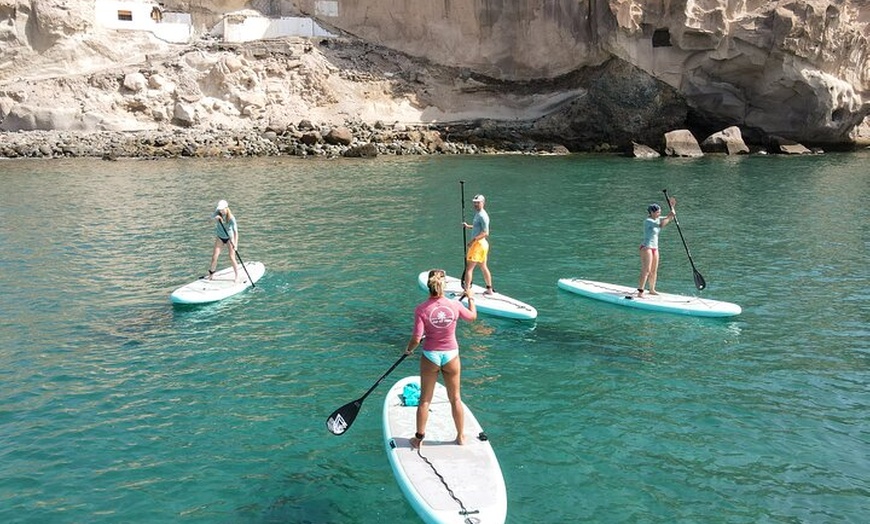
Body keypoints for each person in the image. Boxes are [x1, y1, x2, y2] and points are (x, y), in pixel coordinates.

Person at [405, 269, 477, 449]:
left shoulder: (421, 309)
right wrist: (470, 297)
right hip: (451, 355)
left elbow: (416, 338)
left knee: (425, 400)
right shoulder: (454, 305)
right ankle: (461, 436)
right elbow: (472, 317)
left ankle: (418, 439)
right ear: (444, 286)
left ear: (429, 287)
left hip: (430, 356)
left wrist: (409, 350)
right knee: (455, 398)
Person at [637, 197, 676, 296]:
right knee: (647, 270)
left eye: (660, 212)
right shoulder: (648, 221)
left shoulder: (658, 218)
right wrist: (668, 217)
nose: (659, 214)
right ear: (651, 212)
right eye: (657, 212)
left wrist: (672, 209)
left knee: (654, 270)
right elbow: (662, 224)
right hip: (646, 247)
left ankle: (652, 289)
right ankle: (640, 292)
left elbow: (671, 217)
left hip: (655, 247)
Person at [463, 194, 494, 294]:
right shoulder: (478, 213)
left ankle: (467, 290)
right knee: (483, 266)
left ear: (483, 203)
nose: (476, 204)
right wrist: (468, 226)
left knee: (469, 268)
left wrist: (472, 241)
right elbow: (478, 227)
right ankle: (489, 289)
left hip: (478, 245)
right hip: (481, 245)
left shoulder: (482, 216)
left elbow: (485, 233)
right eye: (474, 203)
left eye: (478, 203)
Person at [207, 199, 240, 283]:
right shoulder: (217, 212)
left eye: (222, 209)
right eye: (220, 210)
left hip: (229, 238)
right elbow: (208, 221)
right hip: (220, 237)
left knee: (231, 257)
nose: (221, 211)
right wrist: (215, 218)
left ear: (226, 208)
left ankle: (237, 276)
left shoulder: (231, 218)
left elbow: (236, 232)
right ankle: (211, 274)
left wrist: (235, 245)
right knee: (214, 256)